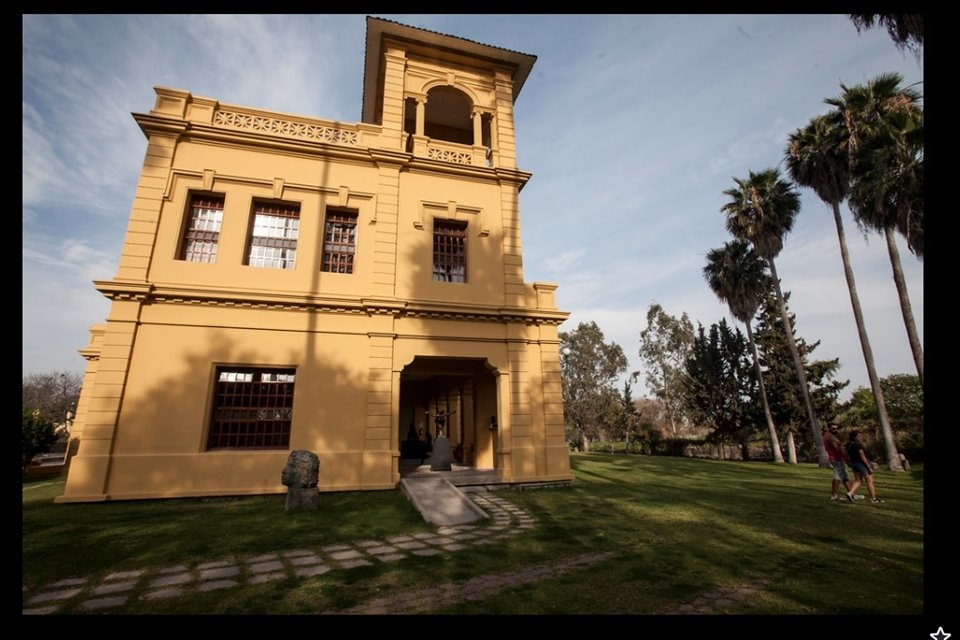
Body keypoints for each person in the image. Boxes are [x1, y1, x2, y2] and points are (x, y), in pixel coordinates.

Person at [844, 430, 883, 503]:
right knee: (869, 481)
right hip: (861, 464)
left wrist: (848, 462)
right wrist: (868, 467)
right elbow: (862, 457)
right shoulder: (858, 445)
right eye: (859, 436)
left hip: (854, 464)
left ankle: (850, 493)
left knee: (858, 480)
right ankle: (873, 498)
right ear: (855, 437)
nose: (861, 437)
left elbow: (846, 454)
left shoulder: (848, 445)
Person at [823, 423, 853, 501]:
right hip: (837, 458)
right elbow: (838, 448)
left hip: (835, 458)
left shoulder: (826, 436)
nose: (835, 430)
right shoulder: (831, 437)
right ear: (829, 428)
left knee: (844, 476)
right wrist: (846, 457)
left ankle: (851, 493)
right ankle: (834, 495)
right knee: (837, 477)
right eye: (833, 428)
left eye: (836, 428)